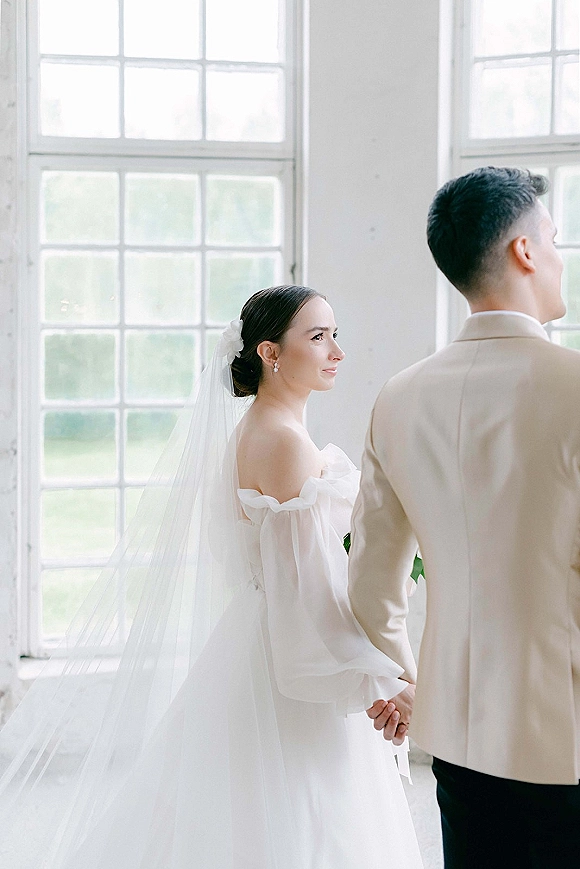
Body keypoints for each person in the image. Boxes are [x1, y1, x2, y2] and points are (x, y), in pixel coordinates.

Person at [0, 285, 423, 868]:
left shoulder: (263, 429)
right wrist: (383, 676)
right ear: (271, 353)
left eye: (335, 335)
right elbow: (306, 595)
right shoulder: (281, 442)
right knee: (306, 818)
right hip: (289, 652)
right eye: (318, 336)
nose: (337, 352)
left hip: (262, 637)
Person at [348, 166, 580, 868]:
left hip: (454, 730)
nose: (561, 256)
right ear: (525, 250)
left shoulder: (398, 396)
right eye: (555, 238)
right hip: (566, 735)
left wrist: (410, 684)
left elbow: (372, 584)